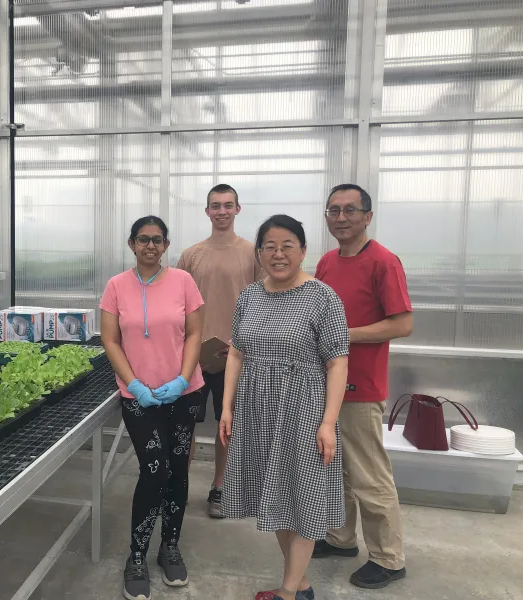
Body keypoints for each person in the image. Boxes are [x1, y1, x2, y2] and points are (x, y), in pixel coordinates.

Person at [219, 214, 350, 600]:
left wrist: (328, 423)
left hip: (304, 410)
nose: (278, 254)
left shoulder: (323, 297)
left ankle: (288, 593)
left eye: (287, 245)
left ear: (304, 250)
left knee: (304, 495)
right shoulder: (250, 296)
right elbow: (236, 354)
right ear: (259, 253)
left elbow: (338, 361)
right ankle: (302, 585)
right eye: (269, 247)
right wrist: (227, 407)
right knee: (272, 494)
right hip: (257, 409)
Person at [100, 215, 205, 600]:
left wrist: (182, 378)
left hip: (183, 393)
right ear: (131, 244)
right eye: (143, 239)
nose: (150, 246)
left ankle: (170, 546)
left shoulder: (183, 282)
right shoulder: (116, 287)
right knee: (154, 468)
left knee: (177, 468)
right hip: (139, 397)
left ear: (166, 245)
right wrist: (135, 384)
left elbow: (195, 332)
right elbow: (110, 341)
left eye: (157, 240)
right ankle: (138, 554)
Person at [313, 184, 412, 589]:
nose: (340, 217)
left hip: (362, 385)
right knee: (335, 468)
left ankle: (389, 558)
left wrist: (343, 334)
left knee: (369, 474)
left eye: (350, 210)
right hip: (323, 383)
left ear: (367, 216)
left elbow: (402, 323)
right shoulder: (326, 262)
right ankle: (340, 537)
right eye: (333, 210)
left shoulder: (384, 262)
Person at [176, 183, 260, 518]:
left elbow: (263, 302)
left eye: (228, 205)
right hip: (194, 356)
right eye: (215, 206)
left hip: (234, 356)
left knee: (228, 425)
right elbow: (176, 304)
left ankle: (220, 487)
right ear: (207, 211)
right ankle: (178, 485)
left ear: (238, 209)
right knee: (186, 425)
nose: (221, 211)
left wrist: (245, 344)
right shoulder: (191, 255)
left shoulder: (253, 254)